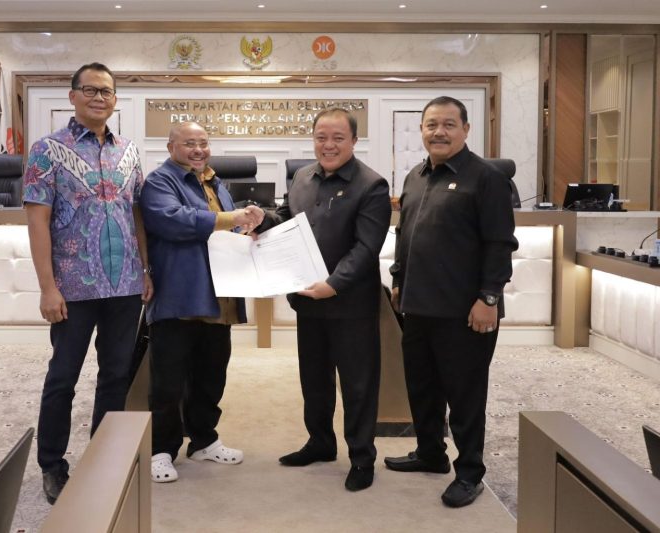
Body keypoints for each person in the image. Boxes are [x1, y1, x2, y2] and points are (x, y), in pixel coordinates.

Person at [23, 62, 152, 504]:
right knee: (63, 377)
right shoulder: (47, 150)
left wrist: (146, 270)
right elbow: (37, 222)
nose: (100, 98)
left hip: (125, 287)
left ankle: (103, 458)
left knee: (116, 377)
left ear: (115, 100)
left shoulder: (129, 152)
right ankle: (52, 465)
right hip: (72, 288)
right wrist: (47, 287)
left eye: (107, 92)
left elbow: (137, 215)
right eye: (91, 90)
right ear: (73, 96)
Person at [384, 96, 518, 508]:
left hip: (466, 311)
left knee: (465, 396)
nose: (438, 132)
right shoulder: (415, 176)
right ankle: (430, 453)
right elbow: (406, 234)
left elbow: (500, 243)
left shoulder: (487, 178)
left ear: (465, 129)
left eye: (448, 124)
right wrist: (398, 280)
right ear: (422, 130)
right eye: (431, 125)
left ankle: (470, 472)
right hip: (418, 306)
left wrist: (489, 297)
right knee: (422, 388)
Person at [258, 107, 391, 492]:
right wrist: (262, 220)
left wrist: (334, 284)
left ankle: (362, 457)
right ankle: (320, 442)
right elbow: (287, 217)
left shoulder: (372, 185)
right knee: (314, 379)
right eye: (321, 137)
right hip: (308, 300)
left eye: (337, 138)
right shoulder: (302, 176)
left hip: (351, 305)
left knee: (357, 385)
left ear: (354, 141)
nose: (328, 145)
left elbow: (366, 247)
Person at [139, 121, 264, 483]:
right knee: (168, 382)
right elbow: (173, 221)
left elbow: (227, 230)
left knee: (212, 375)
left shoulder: (215, 182)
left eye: (203, 143)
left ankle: (204, 440)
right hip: (179, 295)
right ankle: (161, 450)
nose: (198, 150)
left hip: (218, 297)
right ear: (171, 147)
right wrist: (230, 218)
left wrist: (247, 226)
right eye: (189, 143)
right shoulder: (160, 181)